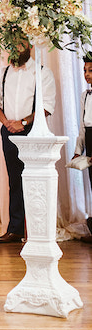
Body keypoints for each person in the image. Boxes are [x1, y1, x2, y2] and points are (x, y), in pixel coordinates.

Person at [0, 41, 56, 243]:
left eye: (19, 45)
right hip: (8, 131)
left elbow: (47, 106)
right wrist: (8, 123)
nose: (15, 49)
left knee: (36, 180)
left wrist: (23, 122)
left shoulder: (42, 72)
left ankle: (37, 232)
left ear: (30, 46)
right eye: (12, 45)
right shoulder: (2, 73)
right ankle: (15, 229)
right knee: (15, 180)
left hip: (33, 130)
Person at [71, 53, 92, 244]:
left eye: (91, 70)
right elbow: (83, 126)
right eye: (84, 70)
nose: (87, 74)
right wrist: (79, 150)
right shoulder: (85, 96)